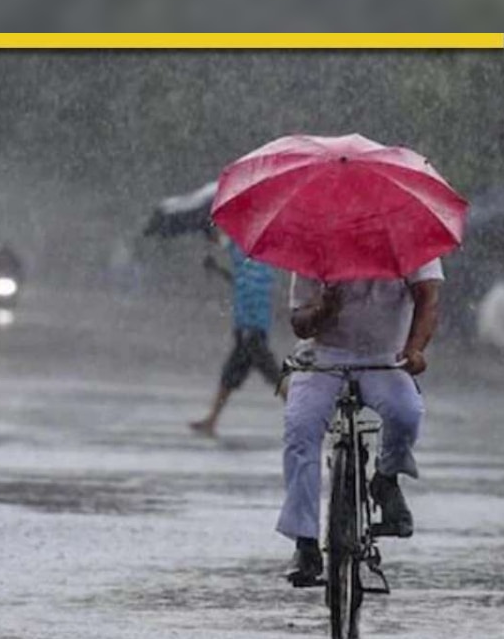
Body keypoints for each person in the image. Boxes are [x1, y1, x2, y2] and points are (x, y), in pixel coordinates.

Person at [281, 259, 443, 585]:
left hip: (385, 358)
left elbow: (428, 299)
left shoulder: (408, 238)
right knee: (300, 428)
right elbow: (299, 322)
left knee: (406, 413)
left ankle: (386, 478)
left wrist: (415, 349)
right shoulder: (316, 242)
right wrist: (322, 311)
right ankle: (305, 541)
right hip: (325, 357)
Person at [189, 235, 283, 437]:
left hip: (250, 329)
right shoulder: (260, 259)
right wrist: (216, 269)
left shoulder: (243, 251)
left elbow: (244, 284)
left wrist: (213, 261)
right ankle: (211, 420)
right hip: (250, 328)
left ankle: (306, 418)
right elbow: (240, 282)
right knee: (230, 377)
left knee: (274, 376)